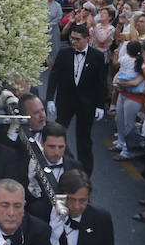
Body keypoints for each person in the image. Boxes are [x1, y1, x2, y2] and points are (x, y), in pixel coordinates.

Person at [46, 23, 107, 170]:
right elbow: (54, 77)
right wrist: (49, 99)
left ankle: (85, 172)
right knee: (58, 133)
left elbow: (101, 83)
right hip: (65, 101)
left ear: (87, 39)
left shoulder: (97, 56)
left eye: (77, 39)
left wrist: (100, 105)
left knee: (84, 138)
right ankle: (57, 165)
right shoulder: (64, 53)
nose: (73, 42)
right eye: (72, 38)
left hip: (87, 104)